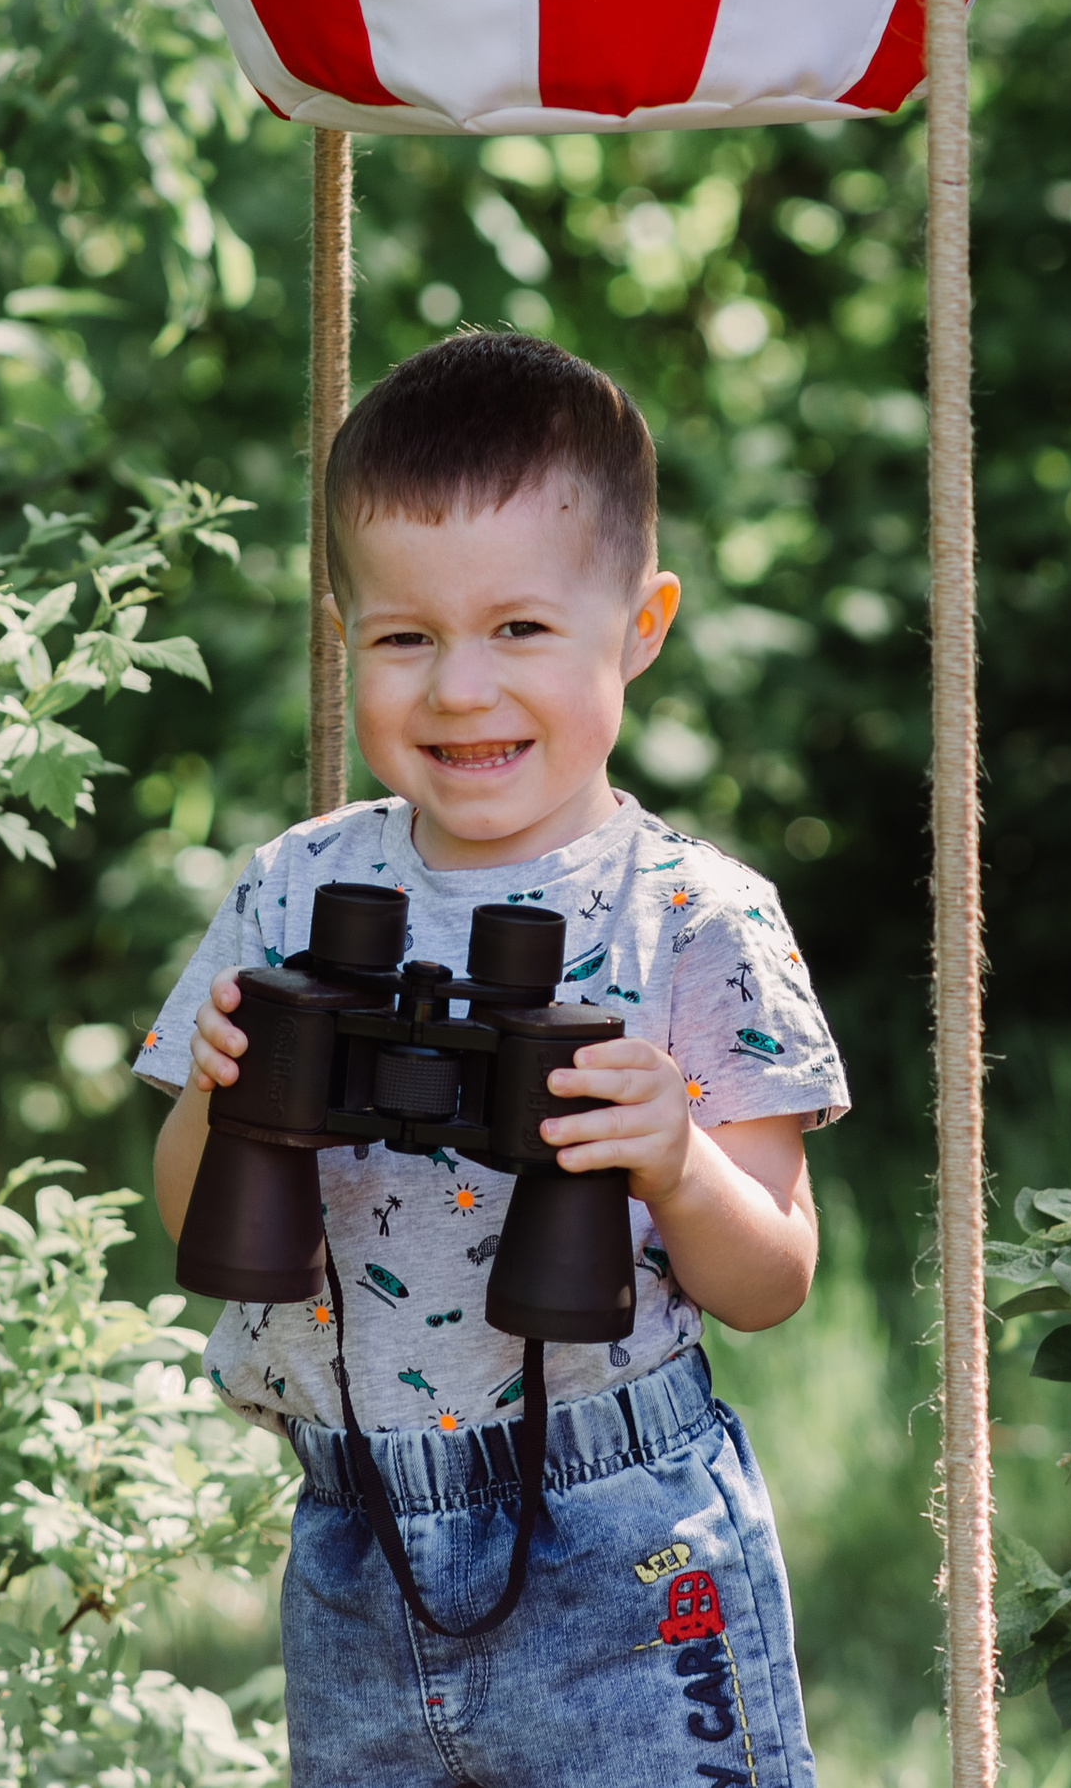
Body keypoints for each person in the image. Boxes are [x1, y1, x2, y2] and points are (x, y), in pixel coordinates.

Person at [136, 327, 846, 1788]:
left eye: (520, 628)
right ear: (349, 638)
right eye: (406, 636)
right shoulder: (290, 889)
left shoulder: (696, 917)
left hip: (626, 1531)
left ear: (641, 622)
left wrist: (670, 1152)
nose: (461, 689)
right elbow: (187, 1224)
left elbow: (773, 1277)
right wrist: (226, 1095)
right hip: (355, 1532)